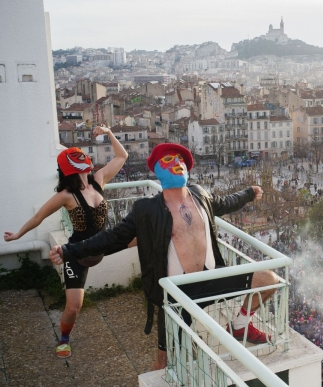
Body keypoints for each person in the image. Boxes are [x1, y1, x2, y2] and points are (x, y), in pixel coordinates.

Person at [49, 143, 278, 370]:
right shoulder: (146, 210)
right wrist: (68, 251)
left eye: (180, 160)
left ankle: (238, 326)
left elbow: (226, 203)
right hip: (178, 294)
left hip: (212, 278)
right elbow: (111, 238)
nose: (176, 163)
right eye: (168, 160)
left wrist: (248, 193)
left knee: (268, 280)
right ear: (157, 170)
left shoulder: (201, 195)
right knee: (163, 361)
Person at [4, 126, 129, 359]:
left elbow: (122, 156)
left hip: (104, 242)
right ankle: (64, 337)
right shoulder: (66, 196)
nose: (83, 159)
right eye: (77, 157)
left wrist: (109, 133)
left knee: (142, 236)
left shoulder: (99, 180)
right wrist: (18, 235)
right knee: (73, 307)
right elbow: (38, 216)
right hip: (78, 252)